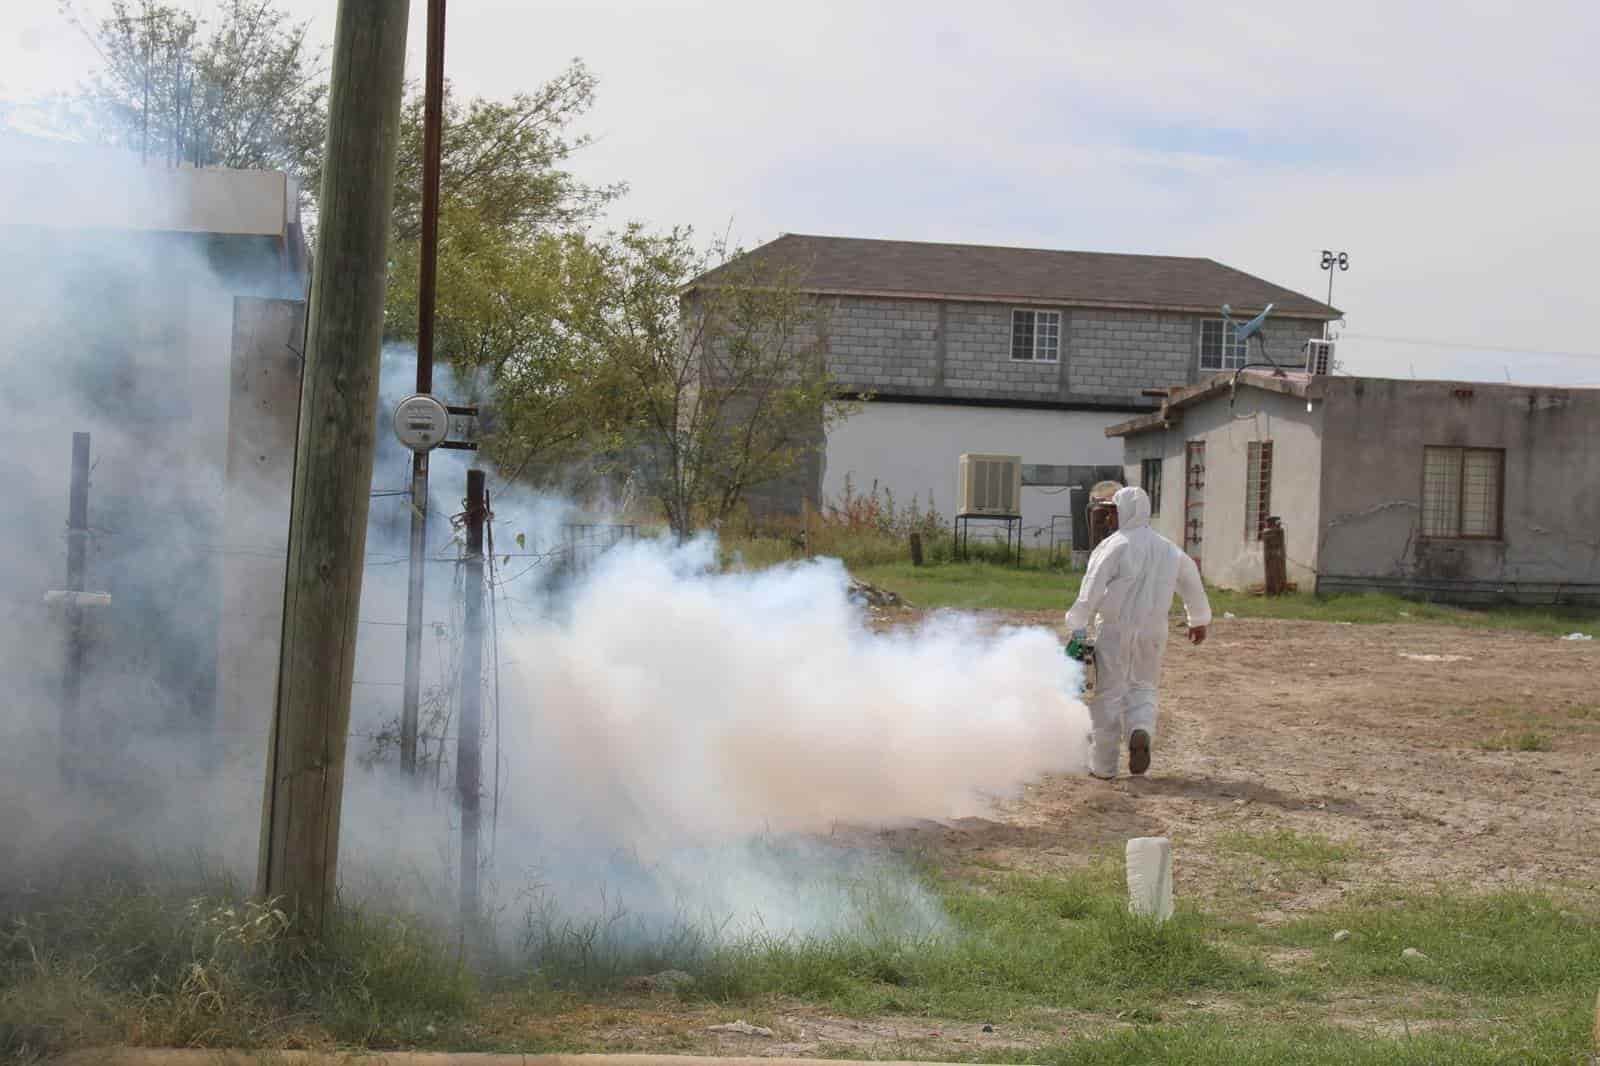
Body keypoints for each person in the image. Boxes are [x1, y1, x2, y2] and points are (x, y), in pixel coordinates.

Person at [1065, 485, 1211, 780]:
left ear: (1125, 512)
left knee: (1108, 694)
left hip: (1115, 630)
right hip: (1154, 630)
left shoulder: (1113, 546)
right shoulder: (1170, 550)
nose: (1108, 519)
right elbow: (1191, 583)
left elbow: (1091, 590)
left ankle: (1103, 767)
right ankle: (1140, 730)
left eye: (1112, 512)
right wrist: (1198, 619)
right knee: (1143, 686)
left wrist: (1077, 624)